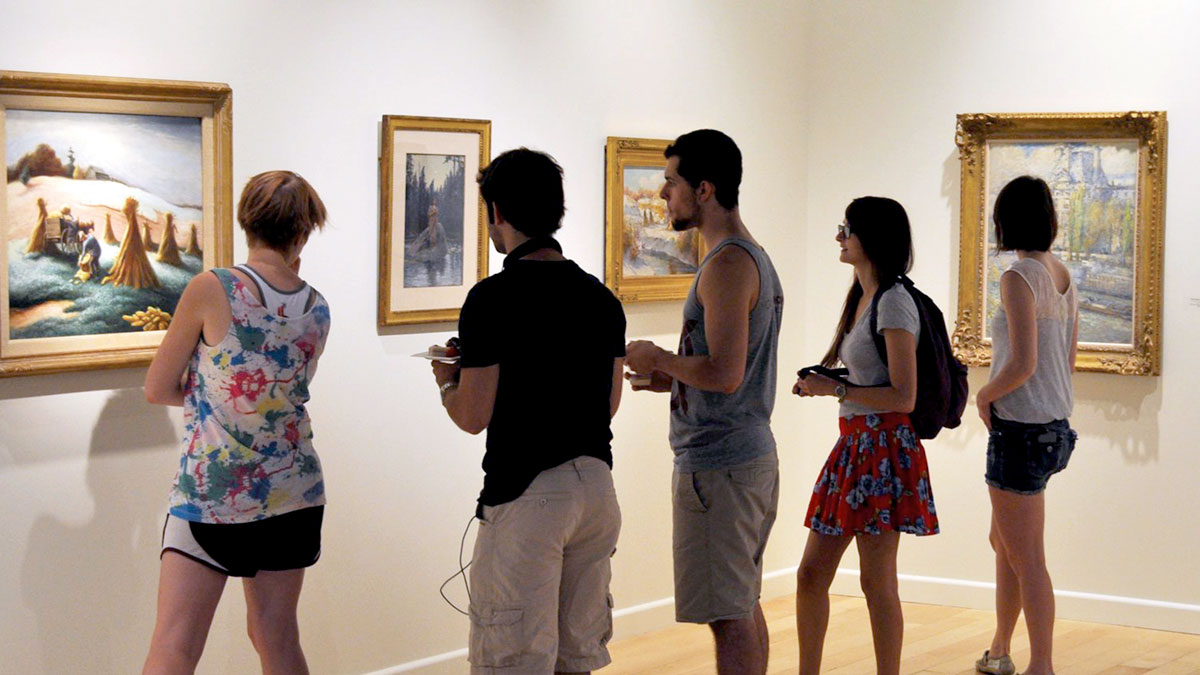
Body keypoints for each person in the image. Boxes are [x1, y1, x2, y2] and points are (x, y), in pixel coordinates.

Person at [431, 148, 626, 674]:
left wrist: (448, 382)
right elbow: (608, 404)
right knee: (575, 659)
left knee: (513, 662)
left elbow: (473, 415)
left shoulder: (492, 299)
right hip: (596, 492)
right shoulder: (601, 298)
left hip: (529, 497)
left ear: (496, 211)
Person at [141, 170, 330, 675]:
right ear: (304, 230)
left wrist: (207, 397)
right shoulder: (318, 308)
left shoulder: (211, 287)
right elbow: (278, 394)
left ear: (246, 221)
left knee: (175, 646)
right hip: (294, 493)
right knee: (277, 638)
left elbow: (158, 387)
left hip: (214, 494)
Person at [625, 129, 783, 675]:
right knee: (740, 603)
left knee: (728, 615)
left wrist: (659, 357)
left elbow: (725, 371)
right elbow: (727, 371)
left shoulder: (728, 265)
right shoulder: (744, 257)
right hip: (741, 457)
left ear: (706, 189)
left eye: (671, 182)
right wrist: (676, 380)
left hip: (721, 465)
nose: (664, 194)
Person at [792, 197, 938, 675]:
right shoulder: (863, 296)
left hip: (884, 449)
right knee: (812, 574)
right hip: (855, 445)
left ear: (870, 238)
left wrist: (832, 387)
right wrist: (828, 384)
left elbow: (904, 396)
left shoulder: (894, 301)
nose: (839, 236)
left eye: (846, 228)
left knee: (877, 583)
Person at [972, 176, 1078, 675]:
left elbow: (1023, 364)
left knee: (1027, 556)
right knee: (1005, 543)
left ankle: (1042, 665)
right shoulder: (1062, 274)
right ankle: (999, 648)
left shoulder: (1019, 276)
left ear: (1005, 221)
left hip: (1020, 430)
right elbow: (1066, 360)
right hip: (1055, 429)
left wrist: (985, 393)